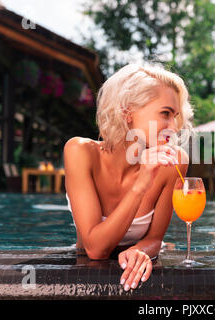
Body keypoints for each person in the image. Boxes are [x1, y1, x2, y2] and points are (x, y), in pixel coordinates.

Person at [64, 63, 192, 291]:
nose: (173, 127)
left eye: (175, 116)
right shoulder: (80, 152)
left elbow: (154, 239)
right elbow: (95, 249)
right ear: (126, 111)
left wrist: (138, 251)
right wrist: (141, 184)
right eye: (165, 113)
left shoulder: (173, 162)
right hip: (87, 273)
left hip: (135, 275)